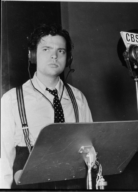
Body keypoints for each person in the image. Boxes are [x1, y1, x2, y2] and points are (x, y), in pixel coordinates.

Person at [0, 24, 93, 189]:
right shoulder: (12, 100)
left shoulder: (78, 98)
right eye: (46, 49)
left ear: (68, 58)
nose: (54, 57)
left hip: (72, 184)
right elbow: (4, 159)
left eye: (61, 51)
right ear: (33, 55)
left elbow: (89, 147)